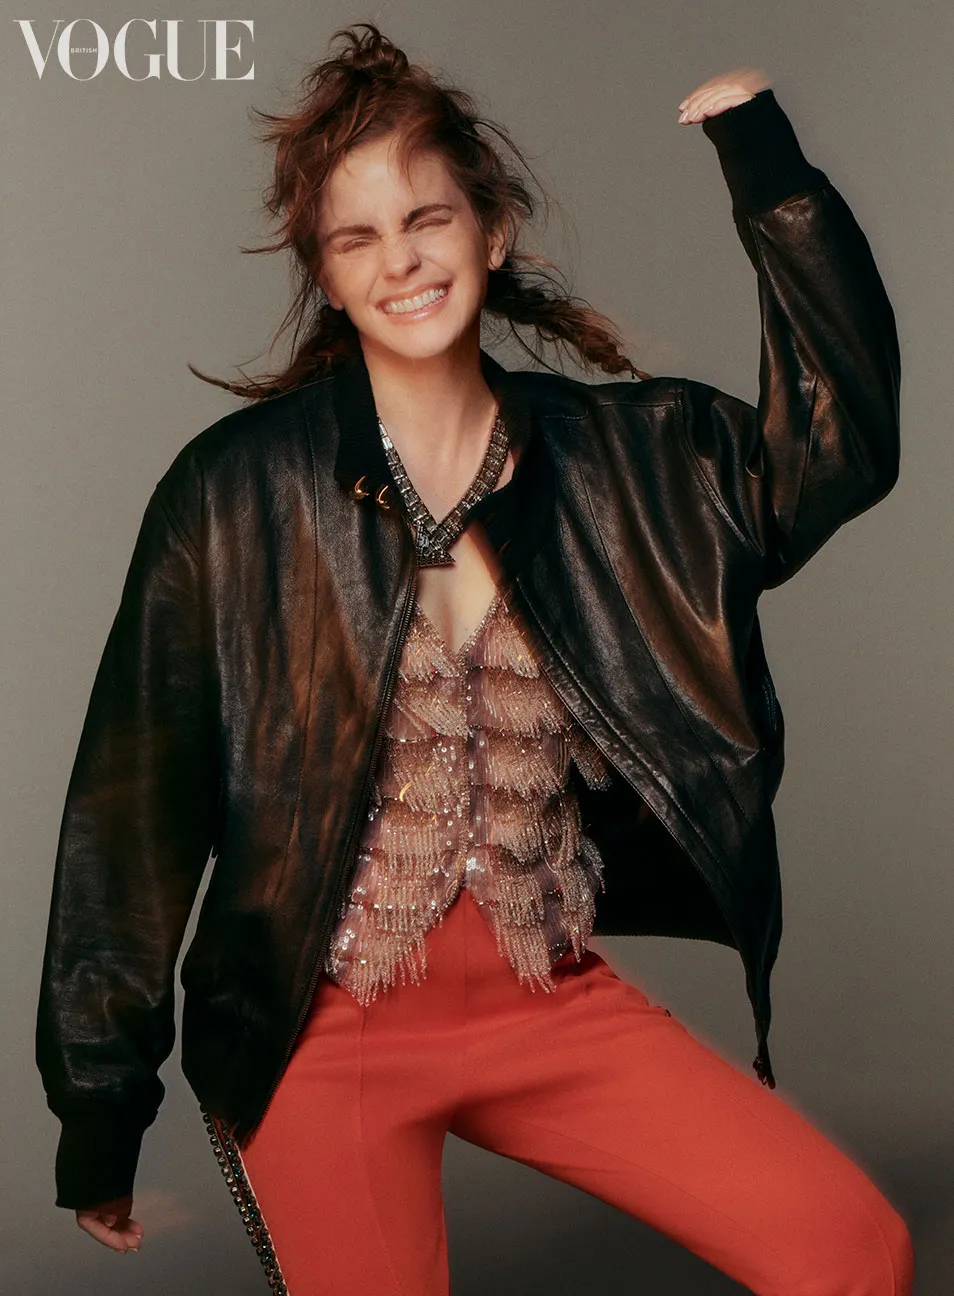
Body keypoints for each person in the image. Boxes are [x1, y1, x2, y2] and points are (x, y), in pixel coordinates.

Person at [36, 20, 915, 1296]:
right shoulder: (231, 495)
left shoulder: (627, 464)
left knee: (853, 1248)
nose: (400, 261)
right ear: (327, 273)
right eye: (357, 238)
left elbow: (837, 449)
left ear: (491, 231)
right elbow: (132, 809)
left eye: (427, 220)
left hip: (544, 992)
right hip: (320, 1029)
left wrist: (765, 163)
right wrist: (100, 1104)